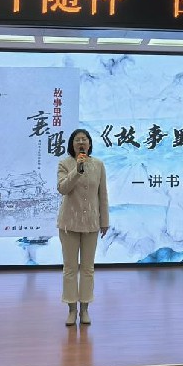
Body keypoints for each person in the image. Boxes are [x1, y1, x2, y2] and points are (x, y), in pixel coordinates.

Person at [57, 128, 109, 326]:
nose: (81, 142)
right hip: (69, 224)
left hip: (91, 224)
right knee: (70, 268)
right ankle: (71, 310)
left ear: (89, 144)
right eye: (77, 140)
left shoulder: (99, 165)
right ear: (72, 144)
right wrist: (77, 170)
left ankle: (85, 309)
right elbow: (63, 188)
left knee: (88, 269)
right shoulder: (65, 164)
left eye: (84, 139)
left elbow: (102, 195)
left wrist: (104, 221)